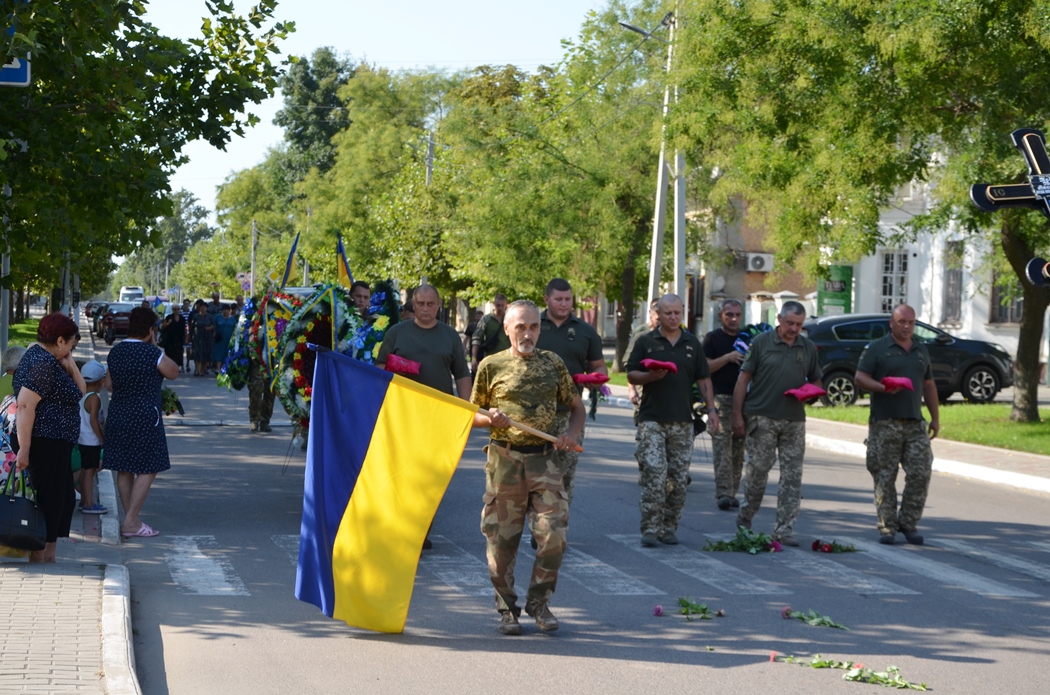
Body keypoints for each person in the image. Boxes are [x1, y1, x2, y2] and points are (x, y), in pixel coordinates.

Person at [470, 300, 585, 635]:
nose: (528, 333)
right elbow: (470, 413)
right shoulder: (491, 366)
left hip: (545, 459)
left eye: (533, 326)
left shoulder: (553, 364)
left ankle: (539, 603)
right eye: (520, 326)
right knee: (501, 544)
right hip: (505, 461)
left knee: (553, 536)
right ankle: (507, 608)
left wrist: (570, 434)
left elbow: (576, 408)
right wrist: (489, 417)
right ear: (507, 328)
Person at [377, 285, 472, 549]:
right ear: (413, 305)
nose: (426, 309)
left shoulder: (450, 336)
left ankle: (421, 530)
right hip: (403, 416)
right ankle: (402, 527)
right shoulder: (396, 333)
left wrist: (466, 409)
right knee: (403, 474)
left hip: (438, 419)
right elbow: (380, 369)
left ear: (439, 305)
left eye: (431, 304)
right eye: (421, 304)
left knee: (430, 476)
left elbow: (462, 374)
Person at [627, 294, 719, 547]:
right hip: (652, 419)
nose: (673, 317)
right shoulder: (646, 341)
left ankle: (668, 527)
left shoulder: (692, 343)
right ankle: (650, 528)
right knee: (655, 473)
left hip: (682, 421)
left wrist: (712, 410)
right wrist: (650, 377)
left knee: (677, 480)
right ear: (658, 313)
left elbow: (703, 378)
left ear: (683, 312)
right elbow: (632, 374)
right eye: (668, 313)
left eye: (677, 312)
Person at [731, 301, 823, 547]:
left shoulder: (808, 347)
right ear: (779, 319)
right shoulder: (761, 343)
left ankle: (784, 528)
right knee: (758, 471)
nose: (794, 329)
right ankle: (746, 516)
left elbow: (816, 379)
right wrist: (737, 415)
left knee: (792, 476)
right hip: (762, 417)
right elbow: (743, 380)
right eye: (790, 323)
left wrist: (811, 392)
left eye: (799, 325)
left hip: (794, 420)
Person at [855, 304, 940, 545]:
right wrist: (883, 388)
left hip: (914, 423)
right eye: (901, 321)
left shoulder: (921, 350)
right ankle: (887, 527)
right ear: (891, 323)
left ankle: (909, 522)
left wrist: (935, 417)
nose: (906, 326)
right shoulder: (877, 349)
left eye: (911, 322)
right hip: (885, 423)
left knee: (921, 472)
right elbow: (860, 377)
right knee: (884, 476)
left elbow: (929, 384)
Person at [12, 313, 87, 562]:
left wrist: (70, 361)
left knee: (62, 498)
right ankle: (41, 556)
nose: (73, 347)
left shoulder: (48, 359)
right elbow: (24, 406)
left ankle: (47, 553)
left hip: (55, 442)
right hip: (44, 441)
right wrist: (24, 448)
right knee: (49, 500)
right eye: (72, 343)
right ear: (60, 340)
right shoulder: (42, 364)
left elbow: (79, 391)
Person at [103, 307, 179, 538]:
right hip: (146, 418)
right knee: (149, 467)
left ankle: (130, 520)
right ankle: (131, 521)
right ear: (149, 329)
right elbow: (173, 371)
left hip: (118, 415)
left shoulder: (115, 352)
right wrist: (155, 346)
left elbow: (108, 385)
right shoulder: (151, 354)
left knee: (124, 468)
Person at [535, 278, 607, 505]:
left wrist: (596, 379)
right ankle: (540, 527)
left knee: (565, 474)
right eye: (558, 299)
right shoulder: (533, 325)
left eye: (568, 299)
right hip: (534, 411)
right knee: (535, 475)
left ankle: (557, 530)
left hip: (570, 412)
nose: (564, 304)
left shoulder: (585, 331)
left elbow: (599, 365)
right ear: (547, 299)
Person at [703, 299, 747, 510]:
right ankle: (723, 492)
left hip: (745, 400)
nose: (734, 319)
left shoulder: (748, 337)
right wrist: (728, 357)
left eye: (737, 315)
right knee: (722, 446)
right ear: (721, 315)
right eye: (729, 314)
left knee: (739, 447)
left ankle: (733, 491)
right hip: (721, 398)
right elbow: (704, 368)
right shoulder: (713, 339)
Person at [77, 360, 108, 515]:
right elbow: (94, 420)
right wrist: (102, 439)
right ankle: (89, 503)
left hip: (82, 439)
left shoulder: (82, 395)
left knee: (84, 471)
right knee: (90, 472)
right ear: (100, 380)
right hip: (91, 440)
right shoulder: (94, 398)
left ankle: (84, 500)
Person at [626, 300, 659, 408]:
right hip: (643, 390)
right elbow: (629, 364)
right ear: (651, 315)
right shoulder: (641, 335)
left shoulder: (680, 336)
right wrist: (632, 389)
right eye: (658, 319)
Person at [470, 293, 510, 374]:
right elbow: (476, 339)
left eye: (502, 305)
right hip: (491, 360)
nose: (500, 308)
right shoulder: (486, 319)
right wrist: (474, 359)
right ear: (493, 304)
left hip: (507, 360)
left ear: (506, 305)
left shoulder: (509, 318)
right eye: (498, 305)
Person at [159, 303, 187, 372]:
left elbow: (184, 328)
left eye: (178, 309)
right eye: (175, 309)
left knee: (179, 353)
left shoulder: (182, 318)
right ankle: (169, 367)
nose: (176, 310)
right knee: (170, 354)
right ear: (172, 310)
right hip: (170, 338)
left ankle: (178, 367)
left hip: (179, 338)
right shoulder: (169, 317)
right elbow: (163, 326)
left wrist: (186, 337)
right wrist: (168, 323)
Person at [191, 300, 215, 376]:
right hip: (197, 336)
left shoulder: (210, 316)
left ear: (207, 308)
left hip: (207, 337)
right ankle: (197, 370)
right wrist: (189, 336)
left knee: (206, 353)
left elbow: (214, 326)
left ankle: (202, 370)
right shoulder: (195, 316)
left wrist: (209, 328)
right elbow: (191, 327)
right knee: (197, 353)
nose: (203, 308)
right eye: (201, 307)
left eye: (204, 307)